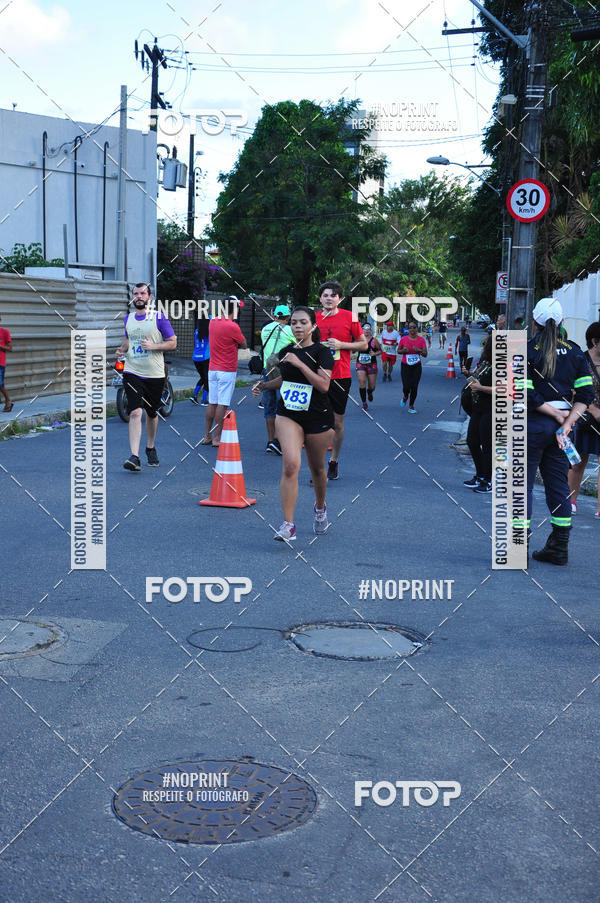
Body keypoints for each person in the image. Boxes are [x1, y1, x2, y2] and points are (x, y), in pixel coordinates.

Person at [252, 306, 334, 542]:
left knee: (317, 469)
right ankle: (288, 524)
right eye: (294, 323)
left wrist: (300, 364)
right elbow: (285, 379)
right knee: (290, 466)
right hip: (288, 414)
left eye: (303, 322)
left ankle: (320, 507)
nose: (297, 326)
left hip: (317, 415)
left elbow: (324, 385)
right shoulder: (286, 351)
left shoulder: (322, 353)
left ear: (313, 326)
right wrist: (264, 385)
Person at [525, 298, 594, 565]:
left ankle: (518, 547)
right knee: (558, 486)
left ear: (535, 321)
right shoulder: (575, 352)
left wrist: (553, 413)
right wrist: (566, 423)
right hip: (562, 431)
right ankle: (559, 546)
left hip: (531, 424)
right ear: (562, 321)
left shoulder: (526, 349)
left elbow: (523, 391)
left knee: (521, 485)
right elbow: (586, 395)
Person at [116, 283, 177, 472]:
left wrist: (154, 346)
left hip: (154, 374)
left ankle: (150, 447)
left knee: (151, 413)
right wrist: (122, 349)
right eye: (136, 293)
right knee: (135, 412)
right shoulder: (128, 319)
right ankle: (134, 457)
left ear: (149, 297)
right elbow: (128, 339)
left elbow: (172, 343)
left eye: (143, 293)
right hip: (132, 371)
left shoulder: (159, 318)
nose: (139, 296)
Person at [315, 281, 367, 480]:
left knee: (337, 423)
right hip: (317, 376)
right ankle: (318, 466)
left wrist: (341, 345)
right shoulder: (313, 318)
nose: (329, 298)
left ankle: (333, 461)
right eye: (325, 295)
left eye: (333, 295)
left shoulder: (349, 317)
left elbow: (363, 344)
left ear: (339, 299)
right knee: (318, 422)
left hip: (340, 376)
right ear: (320, 298)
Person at [202, 297, 247, 446]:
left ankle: (207, 436)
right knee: (222, 404)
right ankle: (217, 438)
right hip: (227, 369)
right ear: (234, 309)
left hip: (213, 368)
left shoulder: (213, 322)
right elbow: (244, 344)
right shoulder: (233, 326)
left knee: (212, 402)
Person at [568, 321, 600, 517]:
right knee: (578, 462)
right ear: (595, 341)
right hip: (584, 418)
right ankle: (570, 502)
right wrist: (594, 410)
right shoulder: (580, 360)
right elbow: (572, 391)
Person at [258, 305, 294, 454]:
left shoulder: (265, 329)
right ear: (288, 317)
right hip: (282, 370)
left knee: (269, 406)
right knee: (283, 406)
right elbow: (298, 345)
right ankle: (279, 441)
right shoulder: (289, 330)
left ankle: (270, 441)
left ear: (274, 316)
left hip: (267, 369)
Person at [461, 335, 493, 493]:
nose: (483, 347)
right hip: (477, 408)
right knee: (472, 441)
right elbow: (475, 381)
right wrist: (468, 374)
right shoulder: (485, 364)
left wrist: (480, 388)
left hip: (491, 409)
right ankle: (480, 475)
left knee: (487, 445)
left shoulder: (501, 366)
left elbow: (504, 389)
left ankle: (488, 480)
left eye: (486, 344)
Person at [397, 320, 428, 413]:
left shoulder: (421, 340)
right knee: (406, 386)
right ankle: (405, 396)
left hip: (416, 366)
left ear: (417, 328)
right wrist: (403, 351)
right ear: (408, 329)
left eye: (414, 327)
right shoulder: (404, 339)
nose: (412, 329)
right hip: (405, 365)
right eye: (410, 327)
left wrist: (419, 350)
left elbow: (425, 354)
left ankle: (411, 405)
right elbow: (398, 351)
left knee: (414, 386)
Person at [356, 323, 381, 410]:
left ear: (370, 330)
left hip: (371, 364)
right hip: (360, 363)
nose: (366, 330)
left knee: (372, 386)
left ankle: (369, 392)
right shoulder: (358, 340)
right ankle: (364, 402)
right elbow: (353, 349)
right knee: (362, 382)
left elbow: (380, 351)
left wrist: (374, 353)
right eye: (365, 328)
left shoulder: (374, 341)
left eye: (368, 328)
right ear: (362, 330)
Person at [190, 316, 210, 405]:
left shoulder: (197, 331)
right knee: (207, 378)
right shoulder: (210, 332)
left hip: (195, 358)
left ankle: (194, 396)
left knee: (203, 377)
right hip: (205, 358)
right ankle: (204, 400)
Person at [0, 314, 13, 412]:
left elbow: (10, 348)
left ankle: (8, 400)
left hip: (0, 362)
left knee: (0, 383)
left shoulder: (5, 332)